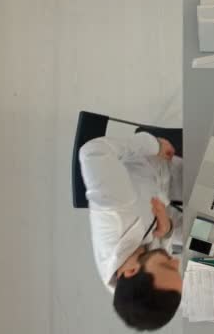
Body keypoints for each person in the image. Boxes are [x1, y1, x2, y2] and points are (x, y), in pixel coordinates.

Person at [79, 132, 183, 330]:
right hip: (166, 200)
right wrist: (167, 229)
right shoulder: (134, 291)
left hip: (158, 160)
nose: (176, 260)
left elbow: (92, 152)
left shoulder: (117, 210)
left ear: (132, 270)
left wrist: (153, 145)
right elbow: (164, 248)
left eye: (168, 266)